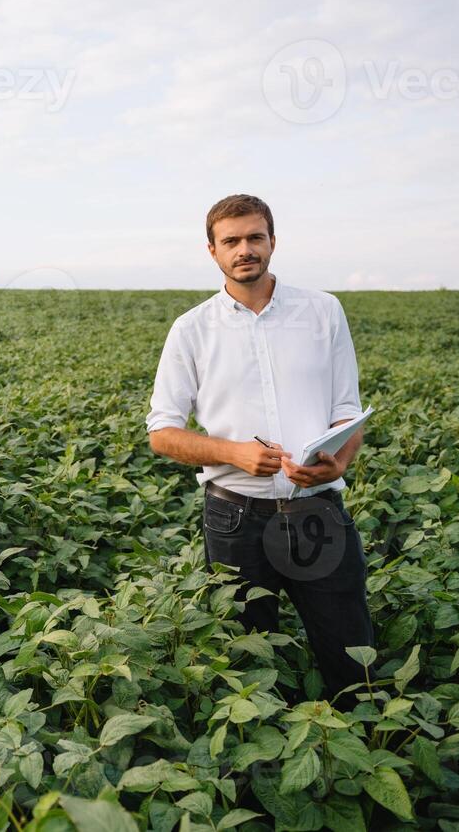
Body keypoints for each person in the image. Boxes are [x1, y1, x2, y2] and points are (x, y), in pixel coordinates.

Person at [145, 193, 374, 711]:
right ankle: (259, 778)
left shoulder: (322, 311)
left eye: (255, 237)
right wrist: (234, 453)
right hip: (235, 519)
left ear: (273, 242)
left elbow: (346, 408)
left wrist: (339, 459)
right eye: (231, 241)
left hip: (317, 513)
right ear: (212, 251)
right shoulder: (191, 330)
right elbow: (162, 431)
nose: (244, 249)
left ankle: (360, 744)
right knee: (245, 663)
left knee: (350, 653)